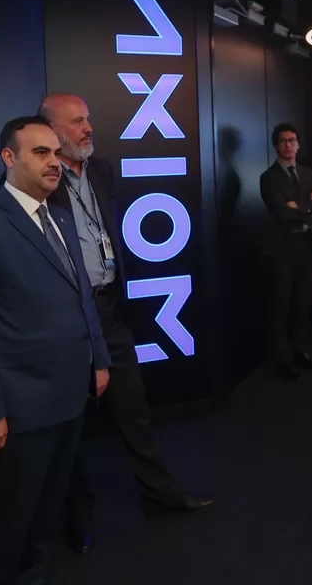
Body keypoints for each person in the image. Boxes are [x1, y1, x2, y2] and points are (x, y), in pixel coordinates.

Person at [38, 94, 213, 556]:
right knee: (72, 422)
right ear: (51, 129)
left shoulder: (101, 169)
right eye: (78, 121)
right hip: (67, 315)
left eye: (88, 119)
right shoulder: (40, 175)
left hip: (111, 309)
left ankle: (161, 496)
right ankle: (77, 513)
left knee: (134, 409)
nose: (88, 127)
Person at [0, 116, 111, 585]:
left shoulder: (60, 218)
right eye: (40, 152)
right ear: (8, 157)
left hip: (70, 397)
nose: (54, 162)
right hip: (21, 410)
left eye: (56, 153)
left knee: (46, 513)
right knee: (11, 520)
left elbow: (83, 298)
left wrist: (99, 360)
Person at [259, 122, 312, 380]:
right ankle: (282, 359)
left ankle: (300, 351)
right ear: (276, 146)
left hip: (306, 247)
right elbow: (281, 212)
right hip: (282, 250)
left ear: (298, 144)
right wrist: (309, 203)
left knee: (302, 304)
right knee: (281, 307)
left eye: (292, 140)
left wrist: (299, 205)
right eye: (283, 141)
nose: (288, 145)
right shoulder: (268, 177)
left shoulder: (308, 173)